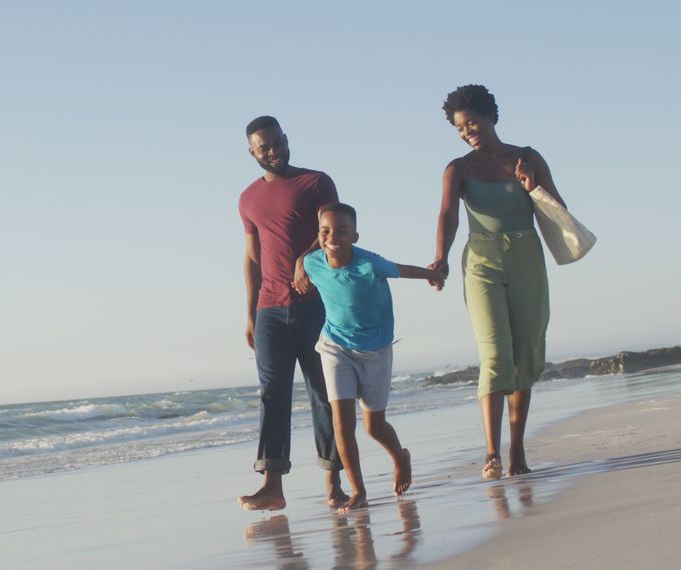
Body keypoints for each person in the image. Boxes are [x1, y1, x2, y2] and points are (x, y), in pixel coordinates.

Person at [427, 85, 567, 479]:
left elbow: (560, 212)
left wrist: (531, 186)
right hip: (481, 261)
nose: (466, 131)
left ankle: (517, 450)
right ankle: (491, 453)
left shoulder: (528, 157)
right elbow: (448, 216)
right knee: (494, 354)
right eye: (459, 127)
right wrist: (440, 257)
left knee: (525, 354)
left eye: (472, 121)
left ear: (491, 116)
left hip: (526, 256)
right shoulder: (458, 168)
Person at [303, 203, 444, 513]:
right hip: (334, 347)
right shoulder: (313, 263)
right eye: (325, 231)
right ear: (318, 235)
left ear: (355, 235)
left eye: (341, 231)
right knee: (342, 423)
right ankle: (359, 491)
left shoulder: (370, 264)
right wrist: (299, 270)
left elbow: (401, 269)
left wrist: (431, 275)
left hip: (376, 351)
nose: (333, 237)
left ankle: (400, 457)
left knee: (373, 426)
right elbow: (303, 262)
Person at [237, 116, 347, 511]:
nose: (273, 151)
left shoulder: (316, 183)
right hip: (269, 309)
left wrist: (305, 259)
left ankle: (333, 483)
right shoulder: (247, 198)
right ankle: (272, 486)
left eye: (276, 142)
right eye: (263, 147)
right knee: (272, 393)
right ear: (251, 153)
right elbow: (252, 259)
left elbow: (332, 232)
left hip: (316, 304)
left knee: (324, 392)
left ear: (286, 139)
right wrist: (250, 314)